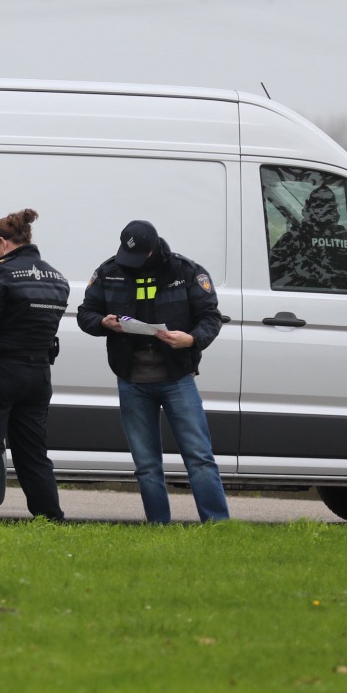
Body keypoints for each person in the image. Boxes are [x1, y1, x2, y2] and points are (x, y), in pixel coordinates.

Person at [76, 219, 231, 524]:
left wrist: (191, 339)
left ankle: (218, 526)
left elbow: (210, 317)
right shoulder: (109, 272)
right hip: (131, 380)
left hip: (177, 379)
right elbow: (85, 313)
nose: (130, 263)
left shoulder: (186, 271)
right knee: (146, 464)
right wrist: (102, 323)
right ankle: (158, 526)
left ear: (153, 250)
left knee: (199, 457)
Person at [0, 208, 71, 521]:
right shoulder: (58, 277)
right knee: (33, 452)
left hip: (2, 368)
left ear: (2, 243)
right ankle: (50, 516)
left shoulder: (0, 274)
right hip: (40, 372)